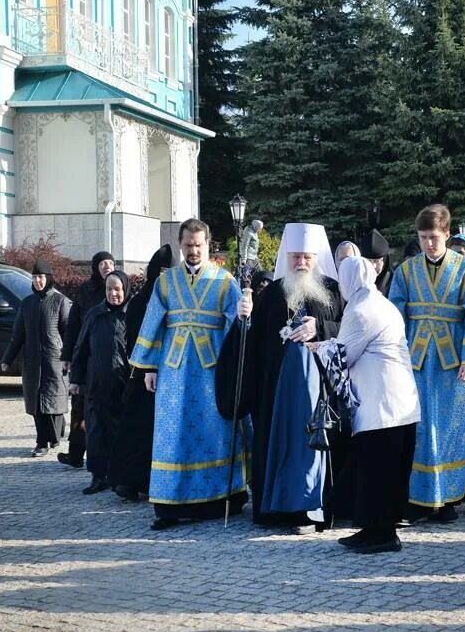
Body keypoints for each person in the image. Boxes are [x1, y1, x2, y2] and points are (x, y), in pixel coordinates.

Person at [130, 219, 247, 530]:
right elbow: (153, 323)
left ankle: (219, 499)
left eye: (198, 245)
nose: (193, 251)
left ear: (208, 245)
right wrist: (150, 367)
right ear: (180, 245)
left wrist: (245, 315)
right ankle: (169, 505)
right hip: (174, 372)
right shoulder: (166, 283)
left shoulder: (225, 282)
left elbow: (238, 329)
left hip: (211, 372)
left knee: (214, 432)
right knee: (173, 434)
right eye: (187, 245)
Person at [390, 205, 465, 522]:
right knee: (419, 430)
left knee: (452, 430)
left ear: (448, 234)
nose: (428, 243)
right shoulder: (406, 271)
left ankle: (448, 498)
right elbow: (394, 317)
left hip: (455, 365)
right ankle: (418, 499)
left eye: (434, 237)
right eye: (423, 237)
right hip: (415, 364)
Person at [234, 223, 344, 529]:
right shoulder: (271, 294)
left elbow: (347, 330)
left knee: (313, 448)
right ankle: (277, 508)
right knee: (278, 447)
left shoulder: (333, 291)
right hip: (277, 391)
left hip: (320, 391)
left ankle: (311, 508)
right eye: (295, 257)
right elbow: (253, 344)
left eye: (307, 257)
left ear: (316, 257)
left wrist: (319, 328)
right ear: (288, 256)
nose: (301, 263)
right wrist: (243, 321)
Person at [312, 256, 419, 553]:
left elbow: (342, 356)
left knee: (378, 472)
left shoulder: (360, 310)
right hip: (397, 402)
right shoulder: (382, 303)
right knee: (382, 471)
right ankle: (372, 528)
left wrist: (317, 347)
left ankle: (383, 535)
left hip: (381, 405)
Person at [109, 246, 172, 502]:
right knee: (138, 430)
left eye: (169, 272)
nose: (164, 277)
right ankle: (129, 480)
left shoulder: (174, 298)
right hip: (144, 374)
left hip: (167, 374)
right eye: (161, 271)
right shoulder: (141, 301)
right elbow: (136, 338)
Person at [0, 259, 72, 457]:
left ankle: (55, 434)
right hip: (32, 362)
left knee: (54, 403)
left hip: (54, 361)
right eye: (34, 277)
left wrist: (69, 357)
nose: (38, 281)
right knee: (37, 404)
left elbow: (68, 333)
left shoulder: (60, 301)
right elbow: (18, 335)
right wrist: (8, 358)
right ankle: (41, 442)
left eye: (41, 277)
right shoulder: (27, 303)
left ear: (48, 278)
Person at [70, 271, 131, 495]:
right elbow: (81, 347)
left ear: (125, 289)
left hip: (124, 383)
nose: (113, 294)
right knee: (96, 431)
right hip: (96, 383)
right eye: (109, 289)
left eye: (117, 289)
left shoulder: (132, 314)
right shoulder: (95, 314)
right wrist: (76, 379)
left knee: (120, 431)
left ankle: (121, 476)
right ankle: (98, 476)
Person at [60, 251, 116, 468]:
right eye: (103, 263)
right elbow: (73, 324)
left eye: (111, 263)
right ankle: (75, 453)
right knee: (79, 407)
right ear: (95, 266)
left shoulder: (119, 287)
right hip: (86, 355)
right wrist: (67, 355)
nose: (107, 266)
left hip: (111, 359)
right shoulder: (86, 291)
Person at [359, 228, 392, 295]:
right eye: (368, 261)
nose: (373, 266)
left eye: (377, 261)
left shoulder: (395, 281)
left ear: (385, 261)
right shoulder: (356, 281)